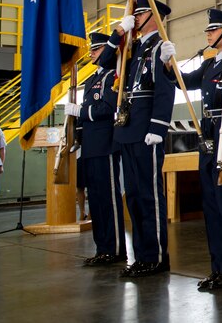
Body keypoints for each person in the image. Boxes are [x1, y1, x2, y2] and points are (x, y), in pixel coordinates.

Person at [160, 8, 222, 291]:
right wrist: (168, 65)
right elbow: (184, 82)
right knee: (211, 206)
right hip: (208, 139)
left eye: (213, 30)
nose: (208, 34)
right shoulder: (212, 64)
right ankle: (218, 267)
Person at [100, 0, 175, 277]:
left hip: (146, 132)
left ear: (154, 16)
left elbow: (166, 90)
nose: (137, 17)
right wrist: (119, 32)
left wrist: (157, 127)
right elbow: (106, 62)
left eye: (140, 12)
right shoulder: (131, 49)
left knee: (149, 196)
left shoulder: (159, 48)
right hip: (127, 131)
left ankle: (156, 257)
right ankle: (142, 256)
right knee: (132, 195)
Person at [65, 31, 126, 266]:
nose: (91, 53)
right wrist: (76, 137)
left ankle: (117, 248)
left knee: (109, 200)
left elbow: (108, 110)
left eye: (96, 49)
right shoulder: (91, 80)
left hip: (106, 145)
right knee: (97, 201)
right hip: (90, 147)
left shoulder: (114, 75)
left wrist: (79, 112)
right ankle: (103, 248)